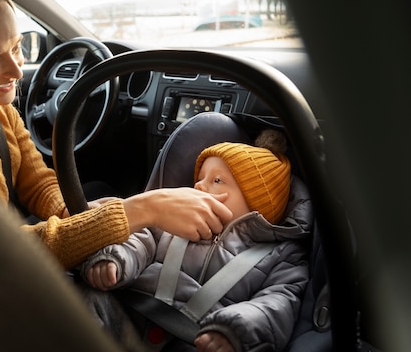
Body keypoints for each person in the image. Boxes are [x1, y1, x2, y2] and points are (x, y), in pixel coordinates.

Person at [0, 0, 233, 270]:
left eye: (17, 48)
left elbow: (36, 180)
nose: (16, 71)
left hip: (1, 247)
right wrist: (145, 208)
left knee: (94, 190)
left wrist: (73, 212)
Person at [80, 129, 313, 352]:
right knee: (86, 300)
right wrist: (116, 258)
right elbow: (142, 238)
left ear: (256, 203)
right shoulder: (176, 220)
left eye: (217, 180)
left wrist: (232, 329)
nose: (199, 185)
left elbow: (277, 303)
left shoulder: (283, 256)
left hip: (198, 339)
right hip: (132, 312)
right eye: (199, 179)